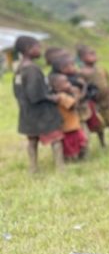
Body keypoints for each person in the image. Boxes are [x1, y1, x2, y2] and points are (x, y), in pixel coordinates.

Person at [12, 36, 64, 172]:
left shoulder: (19, 68)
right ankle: (60, 167)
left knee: (32, 139)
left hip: (27, 111)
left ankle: (33, 167)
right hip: (41, 112)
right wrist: (53, 98)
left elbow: (17, 91)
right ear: (29, 49)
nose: (40, 50)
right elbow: (35, 94)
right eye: (37, 47)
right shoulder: (32, 69)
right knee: (56, 138)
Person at [77, 45, 109, 146]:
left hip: (107, 102)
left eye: (94, 53)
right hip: (95, 104)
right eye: (91, 54)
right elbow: (82, 87)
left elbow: (108, 82)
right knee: (99, 125)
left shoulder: (101, 69)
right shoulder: (82, 73)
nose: (94, 56)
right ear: (82, 58)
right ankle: (102, 143)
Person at [49, 73, 88, 161]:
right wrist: (76, 93)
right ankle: (73, 159)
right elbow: (74, 106)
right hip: (69, 128)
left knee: (80, 143)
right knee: (75, 145)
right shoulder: (62, 97)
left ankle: (77, 158)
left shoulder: (63, 95)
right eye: (66, 83)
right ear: (57, 88)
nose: (69, 84)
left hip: (72, 126)